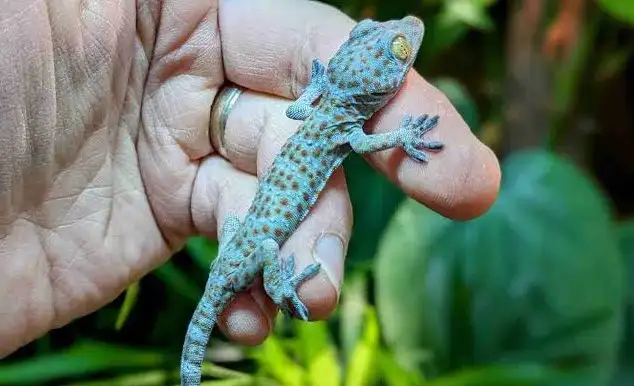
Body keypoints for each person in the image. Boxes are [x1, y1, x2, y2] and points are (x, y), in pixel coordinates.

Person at [0, 0, 501, 358]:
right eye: (394, 46)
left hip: (249, 232)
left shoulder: (324, 109)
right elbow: (365, 143)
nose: (407, 34)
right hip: (255, 239)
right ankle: (278, 286)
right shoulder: (342, 123)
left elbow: (318, 115)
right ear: (379, 84)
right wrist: (404, 135)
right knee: (268, 256)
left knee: (262, 255)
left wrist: (329, 89)